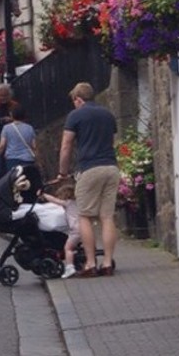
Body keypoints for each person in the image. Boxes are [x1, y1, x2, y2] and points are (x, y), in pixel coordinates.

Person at [57, 82, 120, 278]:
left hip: (89, 168)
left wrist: (62, 171)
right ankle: (108, 263)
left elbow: (67, 145)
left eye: (74, 101)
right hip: (111, 167)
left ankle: (90, 263)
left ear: (78, 99)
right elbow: (111, 142)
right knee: (107, 217)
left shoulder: (76, 115)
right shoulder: (108, 115)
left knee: (84, 216)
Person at [0, 107, 40, 182]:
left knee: (14, 181)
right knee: (27, 180)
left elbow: (2, 145)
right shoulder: (29, 128)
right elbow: (34, 146)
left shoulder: (6, 128)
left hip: (12, 159)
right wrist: (37, 159)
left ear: (12, 115)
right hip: (28, 159)